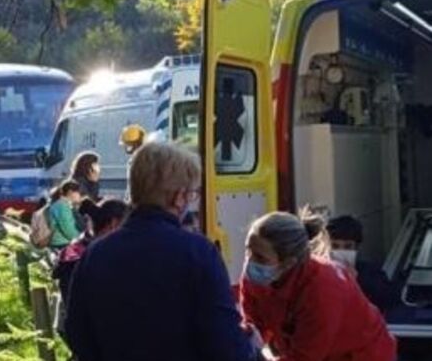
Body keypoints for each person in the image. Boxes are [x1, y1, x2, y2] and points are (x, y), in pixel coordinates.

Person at [65, 142, 261, 361]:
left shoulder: (95, 255)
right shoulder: (199, 253)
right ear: (178, 197)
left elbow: (77, 334)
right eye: (191, 195)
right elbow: (225, 344)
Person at [240, 211, 396, 361]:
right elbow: (253, 328)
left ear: (288, 263)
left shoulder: (322, 291)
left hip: (362, 354)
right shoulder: (256, 278)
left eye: (260, 257)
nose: (250, 261)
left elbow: (304, 357)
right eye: (248, 251)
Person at [326, 214, 400, 313]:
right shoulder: (320, 273)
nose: (341, 251)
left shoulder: (370, 272)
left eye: (347, 247)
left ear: (356, 248)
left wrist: (358, 281)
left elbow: (390, 299)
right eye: (335, 246)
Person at [48, 180, 83, 249]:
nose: (80, 195)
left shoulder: (62, 204)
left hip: (60, 243)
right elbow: (68, 229)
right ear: (70, 192)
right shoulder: (62, 206)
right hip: (61, 244)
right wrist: (80, 238)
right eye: (78, 193)